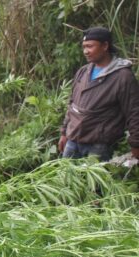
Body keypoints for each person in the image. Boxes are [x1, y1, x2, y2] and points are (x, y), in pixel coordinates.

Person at [59, 27, 139, 161]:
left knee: (94, 182)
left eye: (90, 46)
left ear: (105, 46)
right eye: (84, 47)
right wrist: (64, 132)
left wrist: (136, 144)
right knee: (65, 180)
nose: (85, 51)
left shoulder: (122, 77)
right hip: (73, 140)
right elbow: (72, 104)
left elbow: (134, 112)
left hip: (98, 145)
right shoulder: (83, 72)